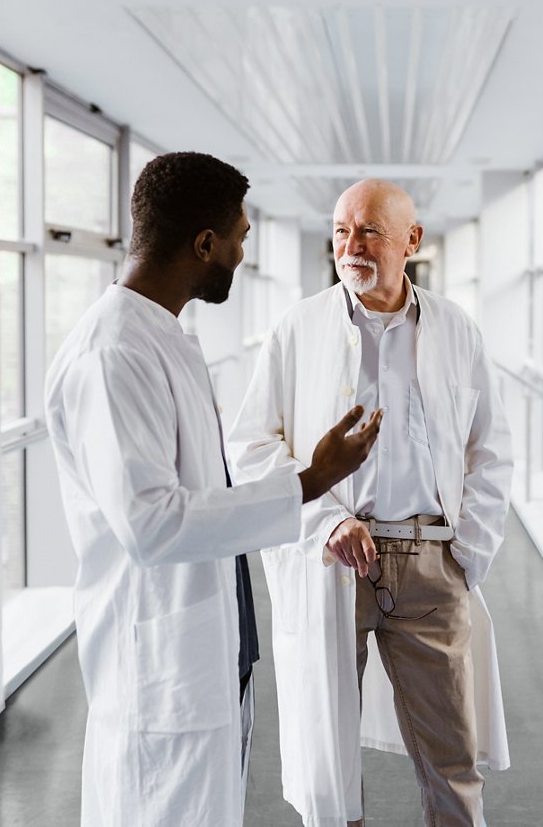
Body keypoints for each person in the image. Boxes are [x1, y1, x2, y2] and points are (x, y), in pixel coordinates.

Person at [44, 152, 382, 827]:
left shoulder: (163, 336)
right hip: (160, 670)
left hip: (211, 647)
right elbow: (152, 525)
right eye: (239, 238)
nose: (241, 254)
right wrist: (311, 481)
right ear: (205, 243)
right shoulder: (114, 354)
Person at [228, 178, 514, 826]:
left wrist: (467, 552)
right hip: (332, 563)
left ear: (411, 240)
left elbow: (490, 448)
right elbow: (252, 443)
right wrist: (325, 519)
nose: (350, 246)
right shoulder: (298, 326)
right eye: (341, 231)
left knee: (451, 752)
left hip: (432, 563)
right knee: (328, 758)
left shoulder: (454, 328)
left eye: (369, 232)